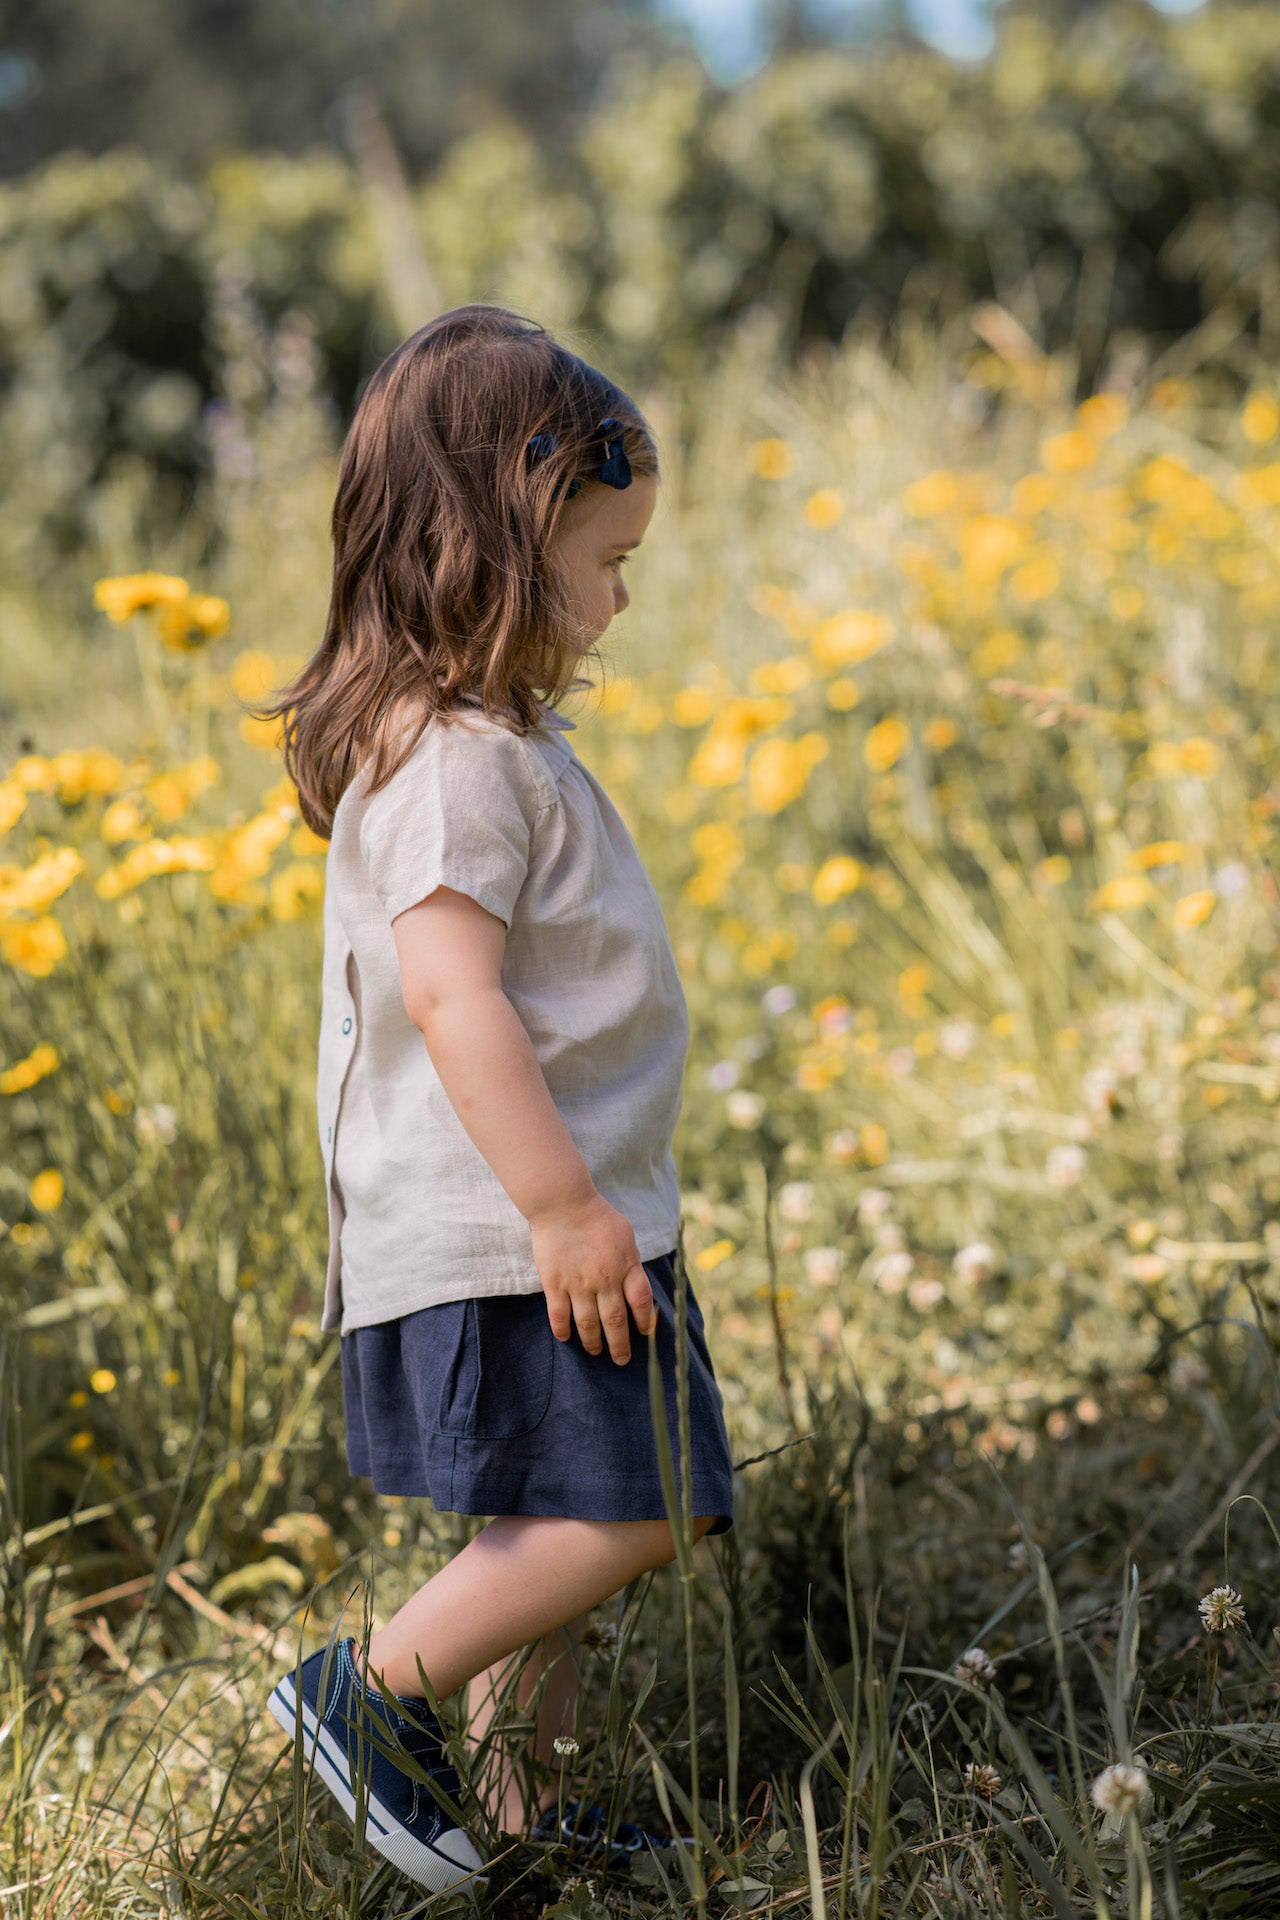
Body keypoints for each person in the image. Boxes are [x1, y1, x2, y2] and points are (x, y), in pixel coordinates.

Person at [255, 304, 737, 1896]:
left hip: (542, 1224)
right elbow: (451, 997)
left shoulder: (478, 744)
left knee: (549, 1524)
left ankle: (529, 1811)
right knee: (649, 1500)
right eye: (605, 561)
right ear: (499, 548)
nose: (620, 600)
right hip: (517, 1231)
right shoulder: (458, 762)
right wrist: (563, 1206)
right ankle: (372, 1686)